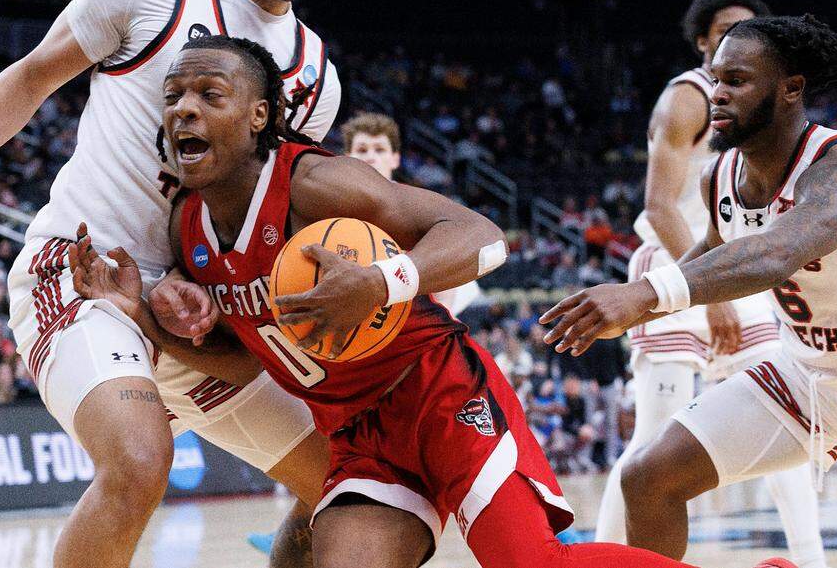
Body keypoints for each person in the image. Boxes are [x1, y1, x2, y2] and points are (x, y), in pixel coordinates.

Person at [68, 35, 792, 568]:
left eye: (208, 96)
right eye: (174, 98)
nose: (185, 110)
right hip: (359, 436)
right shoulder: (187, 230)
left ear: (259, 116)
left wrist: (382, 282)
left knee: (534, 565)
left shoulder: (318, 184)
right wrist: (142, 322)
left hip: (443, 398)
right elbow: (245, 358)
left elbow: (481, 234)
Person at [0, 0, 341, 566]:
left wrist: (200, 287)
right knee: (141, 460)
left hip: (186, 309)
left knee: (350, 484)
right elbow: (34, 76)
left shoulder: (315, 76)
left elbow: (250, 212)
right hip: (81, 270)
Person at [539, 14, 837, 562]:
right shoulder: (720, 176)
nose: (716, 94)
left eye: (735, 80)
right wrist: (631, 309)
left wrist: (644, 294)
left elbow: (778, 253)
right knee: (649, 476)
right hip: (804, 375)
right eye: (712, 78)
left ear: (790, 89)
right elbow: (712, 247)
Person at [593, 0, 828, 568]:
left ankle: (813, 560)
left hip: (734, 276)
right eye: (725, 30)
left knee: (787, 422)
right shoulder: (689, 98)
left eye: (750, 30)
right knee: (652, 438)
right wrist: (705, 289)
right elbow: (658, 207)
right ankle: (601, 559)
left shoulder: (761, 109)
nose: (738, 40)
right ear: (703, 42)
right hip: (677, 267)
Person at [342, 112, 484, 316]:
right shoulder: (330, 207)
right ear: (347, 158)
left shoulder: (421, 206)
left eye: (380, 150)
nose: (371, 157)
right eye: (362, 150)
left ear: (395, 159)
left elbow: (446, 268)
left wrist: (443, 314)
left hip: (408, 322)